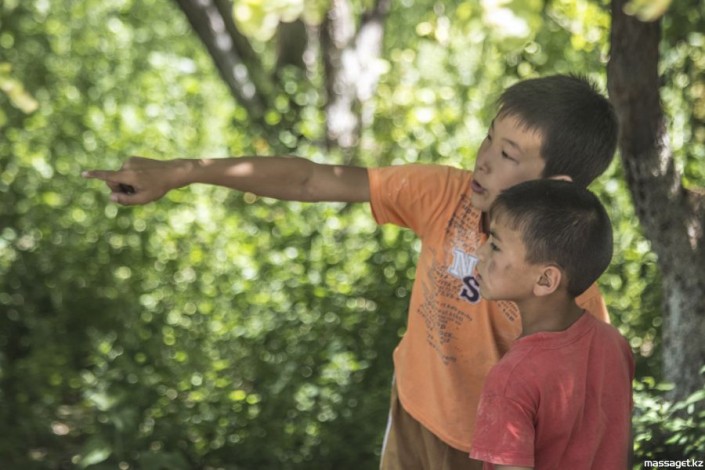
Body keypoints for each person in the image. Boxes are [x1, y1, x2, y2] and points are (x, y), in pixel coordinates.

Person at [83, 74, 619, 469]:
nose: (483, 159)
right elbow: (310, 181)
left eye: (507, 155)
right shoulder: (443, 194)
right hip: (413, 417)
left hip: (495, 452)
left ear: (558, 186)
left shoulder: (568, 288)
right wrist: (182, 171)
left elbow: (585, 413)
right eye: (488, 139)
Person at [469, 179, 634, 470]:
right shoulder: (613, 344)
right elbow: (622, 444)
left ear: (546, 279)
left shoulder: (511, 380)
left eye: (494, 245)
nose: (479, 253)